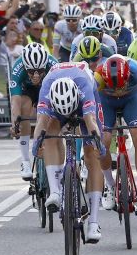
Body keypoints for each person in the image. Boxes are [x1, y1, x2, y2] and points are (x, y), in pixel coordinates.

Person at [32, 62, 105, 243]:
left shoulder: (85, 86)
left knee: (92, 154)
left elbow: (91, 121)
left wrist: (99, 144)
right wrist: (35, 146)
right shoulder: (47, 88)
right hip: (57, 102)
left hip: (83, 104)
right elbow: (40, 123)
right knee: (49, 131)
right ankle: (55, 191)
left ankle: (93, 222)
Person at [95, 54, 137, 213]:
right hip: (106, 101)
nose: (118, 91)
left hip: (132, 98)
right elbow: (87, 104)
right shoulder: (97, 77)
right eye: (114, 87)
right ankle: (109, 186)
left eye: (121, 86)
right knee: (103, 140)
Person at [9, 43, 58, 179]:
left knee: (52, 113)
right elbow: (15, 102)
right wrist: (15, 124)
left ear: (45, 66)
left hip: (47, 87)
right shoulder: (18, 68)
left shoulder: (53, 64)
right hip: (27, 90)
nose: (36, 75)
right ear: (25, 67)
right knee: (23, 109)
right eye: (31, 71)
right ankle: (25, 161)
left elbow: (59, 93)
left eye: (40, 70)